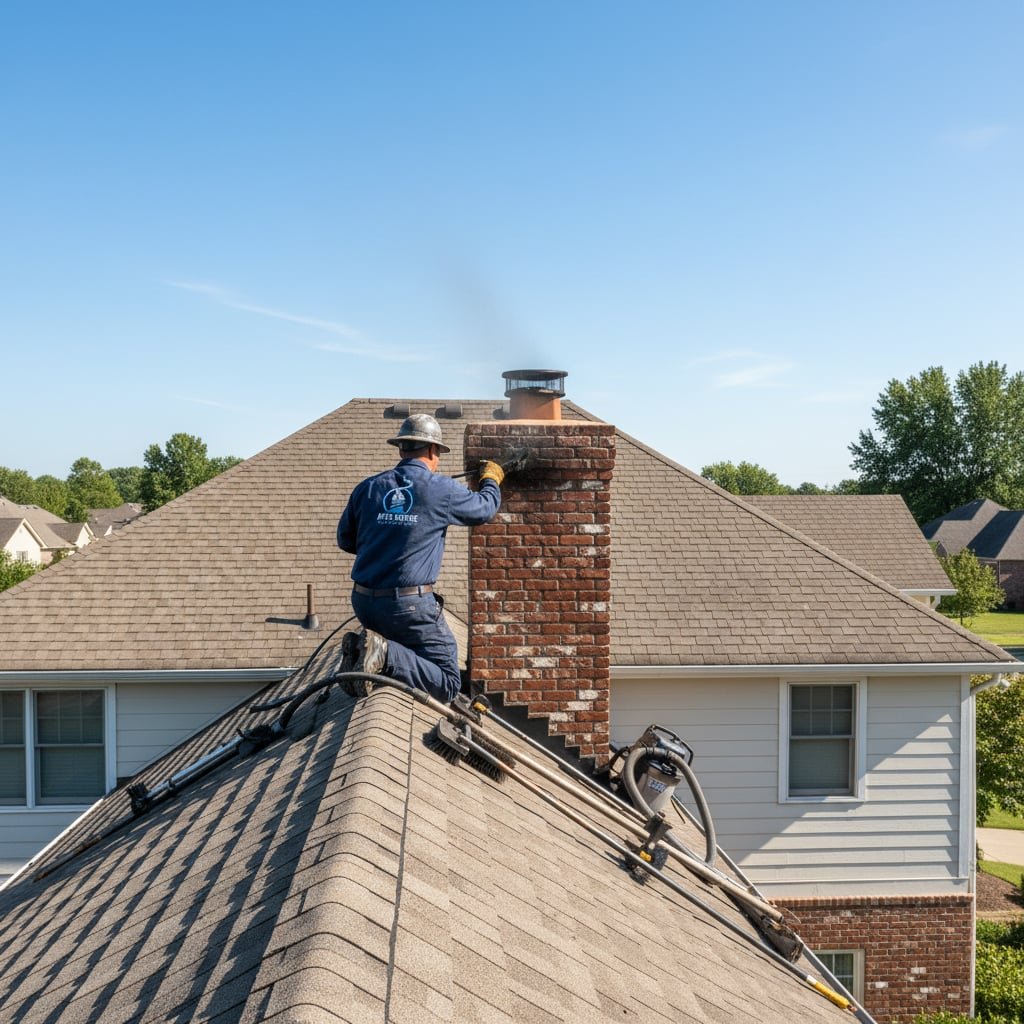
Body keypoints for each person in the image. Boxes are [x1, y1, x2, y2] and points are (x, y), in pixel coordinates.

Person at [336, 413, 505, 702]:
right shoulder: (441, 490)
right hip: (408, 607)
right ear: (431, 450)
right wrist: (491, 480)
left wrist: (386, 541)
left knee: (409, 653)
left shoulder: (368, 488)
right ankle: (384, 651)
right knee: (449, 682)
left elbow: (346, 541)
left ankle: (372, 651)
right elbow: (484, 509)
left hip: (364, 602)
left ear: (402, 449)